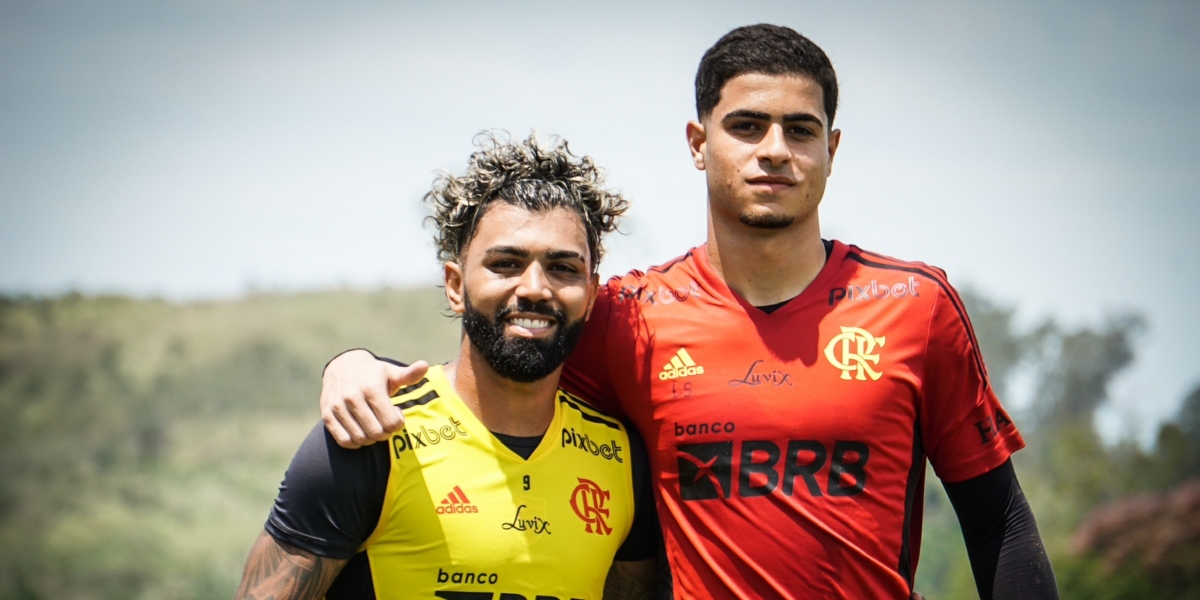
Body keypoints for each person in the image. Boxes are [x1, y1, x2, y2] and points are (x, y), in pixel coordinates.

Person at [319, 25, 1059, 599]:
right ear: (698, 144)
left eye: (800, 130)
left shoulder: (914, 305)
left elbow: (999, 521)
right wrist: (359, 366)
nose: (775, 150)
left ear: (831, 150)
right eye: (747, 126)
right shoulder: (628, 318)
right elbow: (494, 373)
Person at [236, 134, 658, 600]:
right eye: (506, 263)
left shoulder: (622, 459)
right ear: (456, 285)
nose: (535, 287)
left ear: (593, 293)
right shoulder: (373, 435)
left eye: (563, 268)